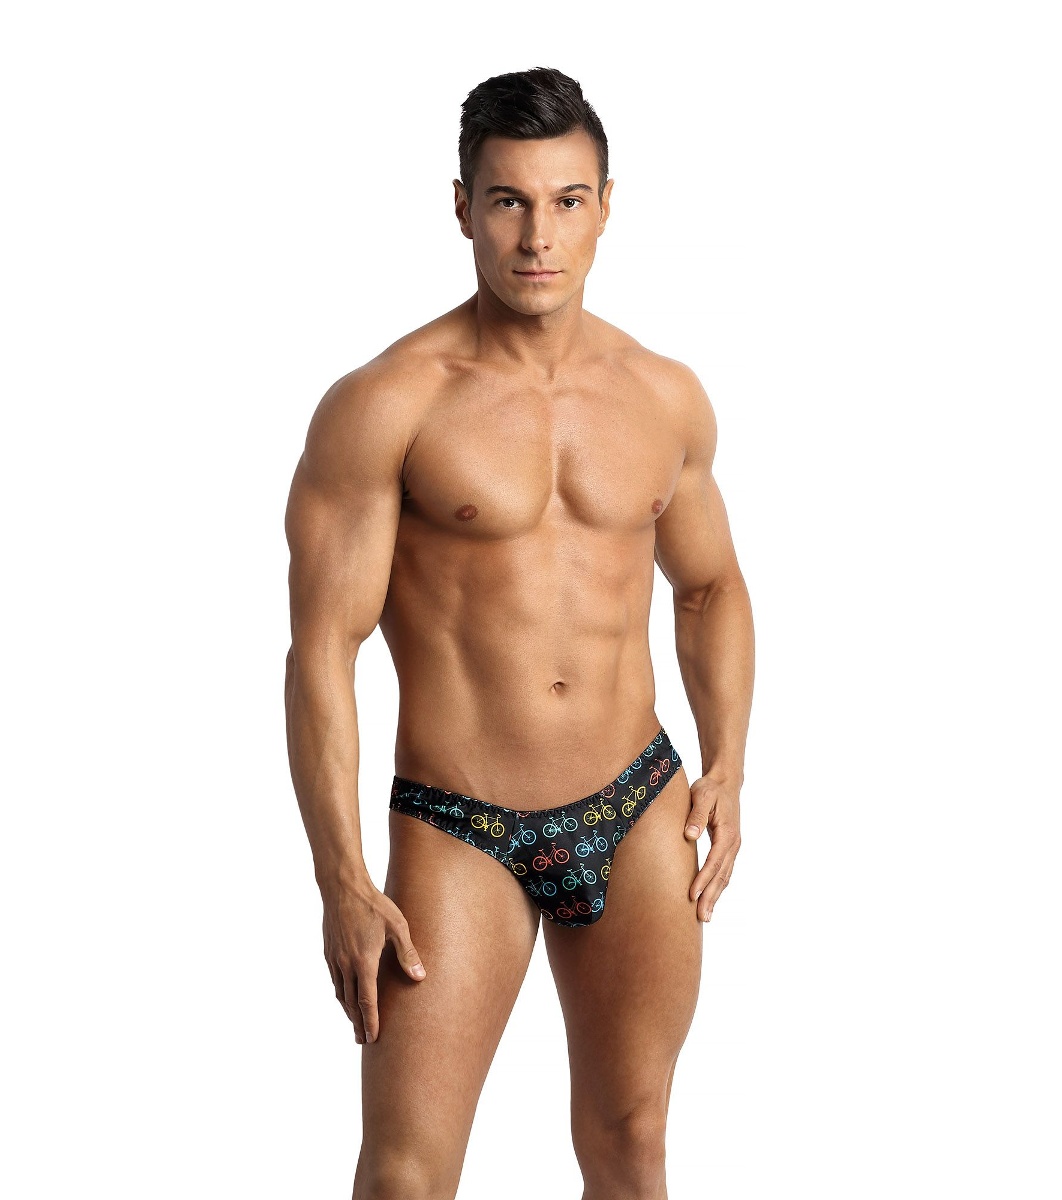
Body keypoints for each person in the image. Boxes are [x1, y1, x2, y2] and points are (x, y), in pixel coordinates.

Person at [284, 66, 755, 1200]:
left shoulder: (664, 396)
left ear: (606, 206)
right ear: (463, 208)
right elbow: (322, 650)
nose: (537, 236)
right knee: (407, 1175)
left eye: (566, 201)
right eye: (508, 201)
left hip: (635, 808)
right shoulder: (388, 403)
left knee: (632, 1144)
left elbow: (710, 587)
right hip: (462, 830)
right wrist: (342, 876)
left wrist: (729, 763)